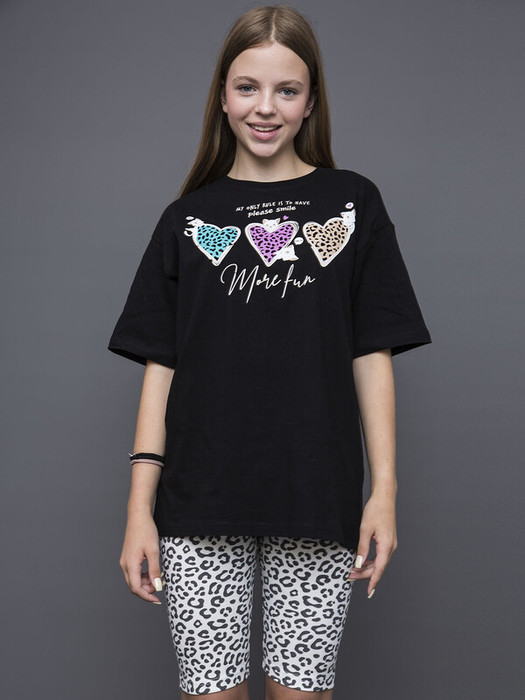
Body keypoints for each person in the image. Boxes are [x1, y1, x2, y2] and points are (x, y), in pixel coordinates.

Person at [107, 5, 432, 699]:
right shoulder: (186, 220)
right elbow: (161, 368)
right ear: (222, 98)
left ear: (310, 101)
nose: (265, 107)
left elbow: (371, 353)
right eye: (247, 87)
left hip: (317, 496)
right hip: (197, 506)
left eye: (287, 90)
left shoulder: (353, 204)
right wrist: (139, 509)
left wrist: (384, 492)